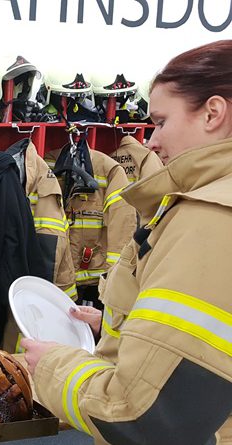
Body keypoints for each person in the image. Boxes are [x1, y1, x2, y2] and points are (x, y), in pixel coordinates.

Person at [22, 40, 232, 444]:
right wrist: (122, 327)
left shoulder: (211, 217)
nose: (150, 141)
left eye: (161, 121)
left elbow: (143, 417)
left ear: (212, 113)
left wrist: (51, 365)